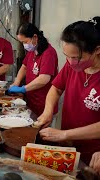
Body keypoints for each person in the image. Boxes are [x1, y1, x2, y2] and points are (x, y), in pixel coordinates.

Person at [37, 17, 100, 164]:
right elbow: (56, 88)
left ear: (97, 49)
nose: (71, 62)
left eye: (76, 58)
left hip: (93, 157)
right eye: (67, 57)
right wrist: (48, 111)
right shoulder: (72, 66)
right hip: (68, 149)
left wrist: (64, 134)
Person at [8, 23, 59, 117]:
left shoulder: (49, 53)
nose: (24, 45)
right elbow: (24, 67)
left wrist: (23, 88)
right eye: (22, 42)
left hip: (44, 104)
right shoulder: (33, 51)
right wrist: (17, 82)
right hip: (31, 102)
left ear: (35, 37)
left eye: (25, 42)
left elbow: (44, 79)